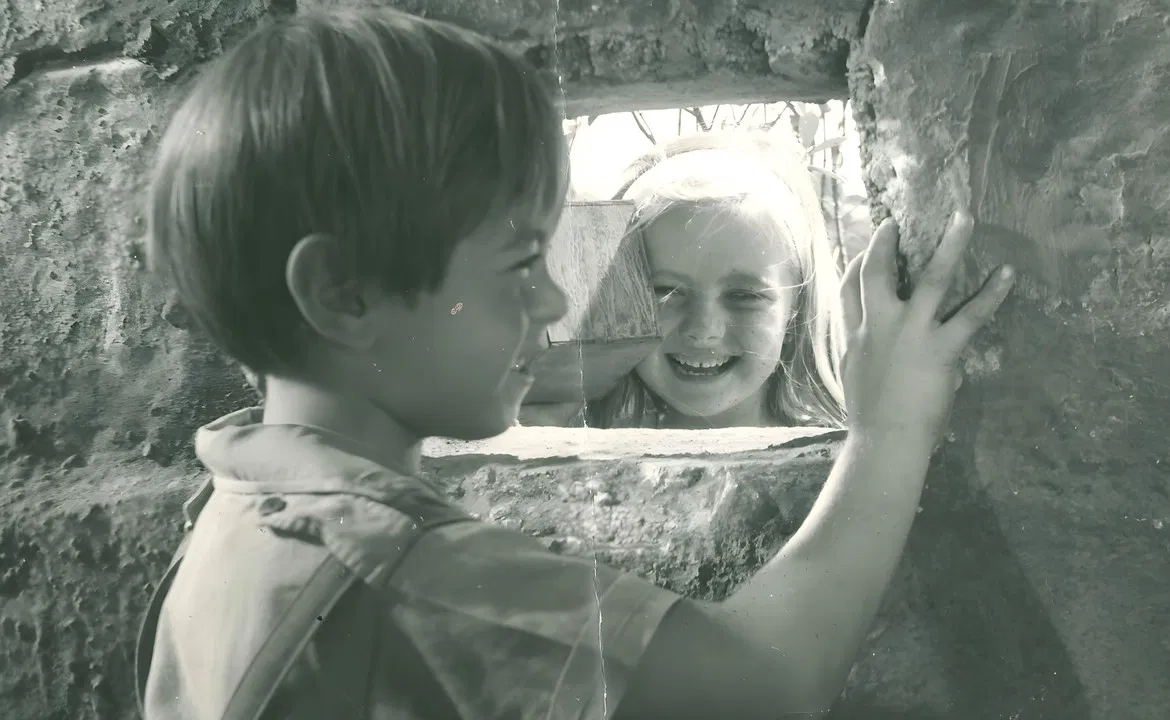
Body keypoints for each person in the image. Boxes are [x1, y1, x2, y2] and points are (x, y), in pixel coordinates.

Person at [137, 7, 1017, 720]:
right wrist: (892, 427)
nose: (559, 305)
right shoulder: (404, 574)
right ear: (343, 295)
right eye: (525, 265)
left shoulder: (237, 519)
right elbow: (766, 688)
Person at [588, 131, 851, 429]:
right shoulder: (585, 445)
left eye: (744, 296)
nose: (703, 330)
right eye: (666, 292)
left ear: (796, 314)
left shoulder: (836, 456)